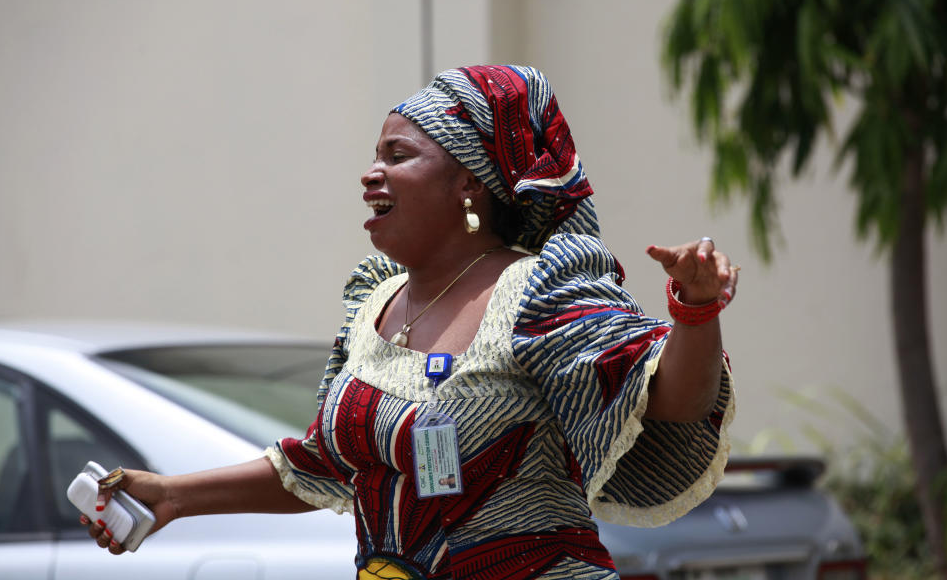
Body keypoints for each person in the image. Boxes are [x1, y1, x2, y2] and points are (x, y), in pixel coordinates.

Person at [81, 65, 738, 580]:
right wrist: (170, 495)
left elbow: (673, 401)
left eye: (398, 155)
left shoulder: (541, 289)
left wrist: (695, 311)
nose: (372, 173)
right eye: (374, 155)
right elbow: (322, 464)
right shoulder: (375, 302)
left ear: (469, 186)